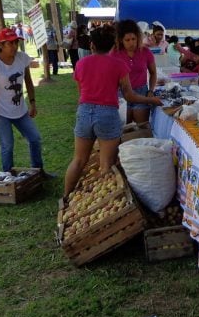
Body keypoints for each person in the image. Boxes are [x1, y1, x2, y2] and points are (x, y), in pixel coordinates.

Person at [64, 26, 162, 196]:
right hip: (107, 114)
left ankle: (66, 197)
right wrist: (150, 99)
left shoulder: (80, 64)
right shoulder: (119, 65)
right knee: (106, 164)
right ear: (112, 45)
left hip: (84, 111)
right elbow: (130, 96)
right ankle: (102, 201)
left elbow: (81, 92)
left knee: (78, 160)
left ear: (92, 45)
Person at [0, 28, 50, 176]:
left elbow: (29, 82)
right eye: (10, 43)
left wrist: (32, 103)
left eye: (16, 42)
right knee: (7, 145)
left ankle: (38, 172)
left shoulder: (22, 58)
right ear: (1, 45)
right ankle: (7, 177)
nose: (14, 46)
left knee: (35, 138)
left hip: (20, 110)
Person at [111, 19, 157, 124]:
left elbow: (153, 73)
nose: (131, 43)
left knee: (141, 128)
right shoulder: (114, 53)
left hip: (141, 94)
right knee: (123, 130)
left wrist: (151, 90)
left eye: (133, 39)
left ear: (138, 38)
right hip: (121, 94)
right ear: (120, 40)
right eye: (127, 40)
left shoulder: (146, 52)